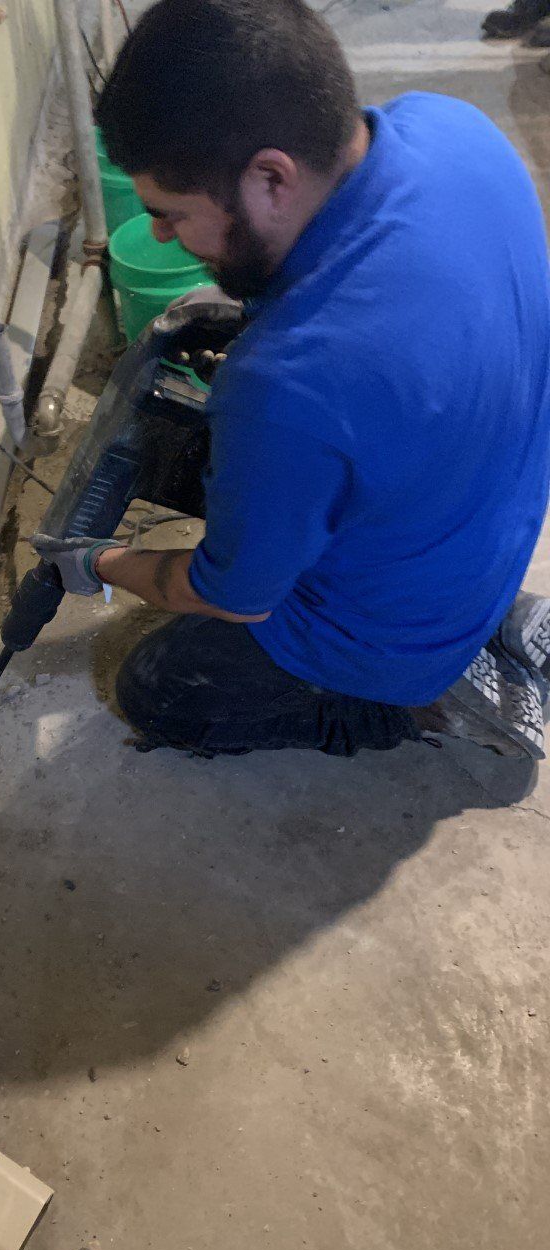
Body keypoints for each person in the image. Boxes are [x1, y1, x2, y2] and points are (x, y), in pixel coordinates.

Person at [32, 0, 550, 761]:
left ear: (272, 176)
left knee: (159, 689)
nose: (164, 236)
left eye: (171, 213)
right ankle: (490, 612)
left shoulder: (289, 386)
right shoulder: (455, 129)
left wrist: (95, 562)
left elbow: (229, 595)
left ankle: (395, 708)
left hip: (395, 637)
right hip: (490, 517)